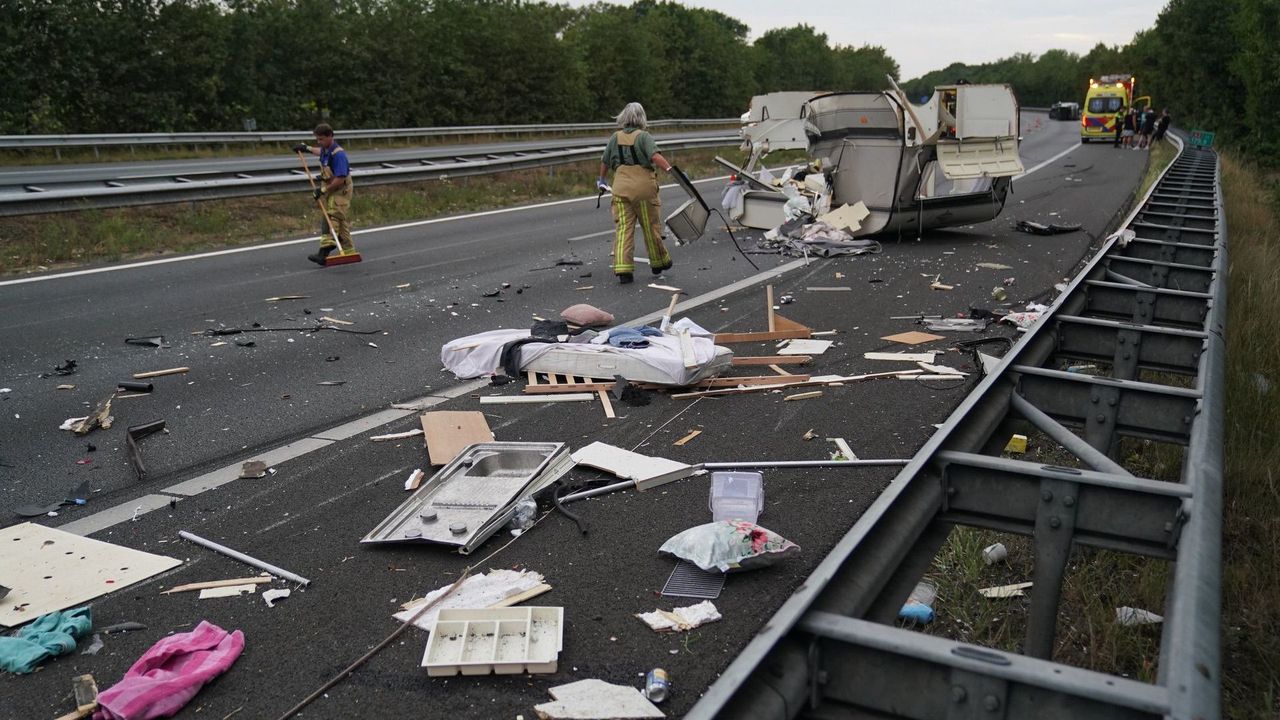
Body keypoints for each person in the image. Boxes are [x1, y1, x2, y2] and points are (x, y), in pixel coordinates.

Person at [597, 102, 674, 284]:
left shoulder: (615, 137)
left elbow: (605, 161)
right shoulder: (644, 137)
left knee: (624, 228)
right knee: (650, 225)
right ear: (641, 118)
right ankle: (658, 262)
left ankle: (623, 269)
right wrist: (671, 170)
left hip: (620, 187)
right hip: (643, 188)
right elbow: (655, 156)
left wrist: (602, 180)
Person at [292, 123, 354, 265]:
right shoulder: (326, 149)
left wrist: (323, 190)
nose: (319, 142)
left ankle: (324, 251)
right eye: (317, 139)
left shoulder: (338, 155)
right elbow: (319, 152)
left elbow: (341, 178)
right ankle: (349, 251)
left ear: (330, 136)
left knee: (331, 216)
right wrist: (305, 148)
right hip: (332, 188)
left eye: (321, 139)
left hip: (341, 190)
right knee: (340, 219)